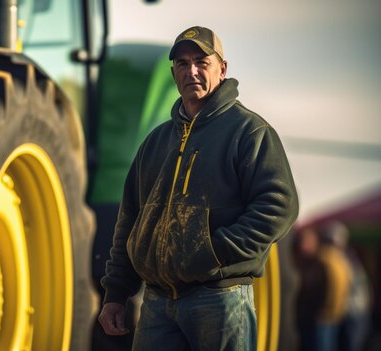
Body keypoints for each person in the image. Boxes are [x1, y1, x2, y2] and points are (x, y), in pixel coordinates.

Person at [98, 26, 299, 351]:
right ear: (174, 72)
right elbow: (130, 221)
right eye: (181, 63)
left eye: (201, 62)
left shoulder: (249, 132)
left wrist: (214, 252)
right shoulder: (155, 142)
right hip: (157, 304)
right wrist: (116, 295)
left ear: (222, 68)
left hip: (220, 299)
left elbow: (278, 208)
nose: (191, 70)